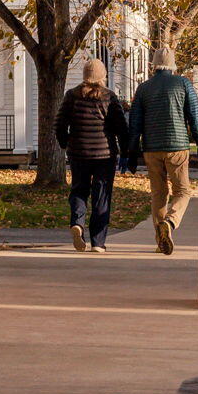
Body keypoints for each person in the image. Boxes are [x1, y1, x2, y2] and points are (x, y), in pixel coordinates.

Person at [130, 48, 198, 255]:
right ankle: (171, 221)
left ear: (154, 65)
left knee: (158, 193)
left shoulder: (143, 88)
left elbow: (135, 122)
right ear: (173, 64)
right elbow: (195, 116)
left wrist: (131, 152)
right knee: (182, 191)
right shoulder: (183, 84)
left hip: (151, 148)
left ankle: (160, 240)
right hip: (177, 147)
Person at [54, 58, 129, 252]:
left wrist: (66, 143)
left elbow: (60, 124)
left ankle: (77, 222)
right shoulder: (109, 97)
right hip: (104, 155)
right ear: (102, 76)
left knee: (79, 189)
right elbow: (121, 128)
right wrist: (125, 151)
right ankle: (98, 242)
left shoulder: (72, 95)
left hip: (78, 152)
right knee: (101, 195)